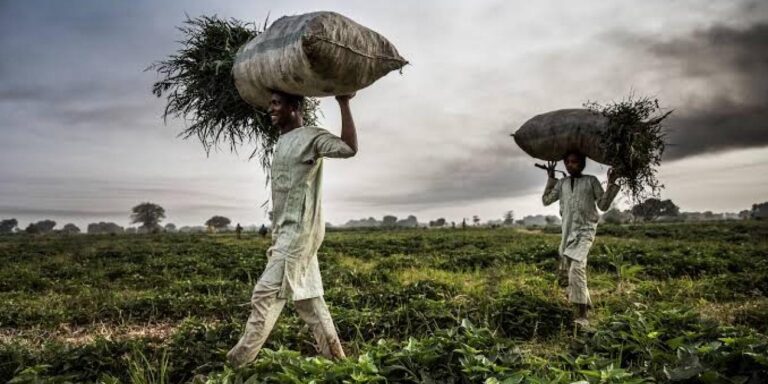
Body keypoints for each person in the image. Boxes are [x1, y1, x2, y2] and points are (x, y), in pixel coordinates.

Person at [227, 90, 358, 367]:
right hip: (284, 233)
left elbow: (349, 148)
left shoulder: (311, 137)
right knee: (308, 299)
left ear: (295, 106)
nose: (270, 109)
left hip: (299, 234)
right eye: (270, 104)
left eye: (276, 103)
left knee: (265, 295)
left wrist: (343, 102)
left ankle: (236, 366)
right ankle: (338, 362)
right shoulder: (281, 141)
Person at [541, 151, 620, 327]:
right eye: (567, 162)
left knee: (577, 267)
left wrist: (612, 183)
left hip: (585, 231)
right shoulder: (561, 184)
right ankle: (587, 304)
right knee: (571, 270)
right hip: (567, 233)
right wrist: (551, 178)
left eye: (574, 162)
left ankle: (582, 316)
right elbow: (546, 200)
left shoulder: (591, 181)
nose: (570, 165)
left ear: (582, 164)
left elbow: (603, 205)